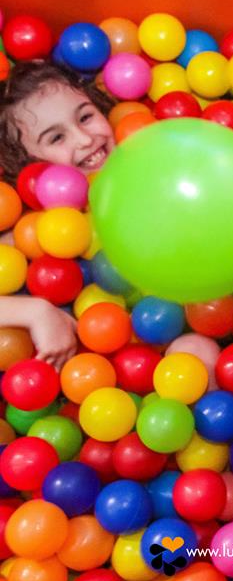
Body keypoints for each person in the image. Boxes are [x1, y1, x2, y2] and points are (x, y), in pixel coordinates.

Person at [0, 60, 116, 368]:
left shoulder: (144, 159)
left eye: (86, 117)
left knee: (196, 348)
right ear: (28, 168)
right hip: (85, 371)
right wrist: (34, 312)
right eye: (56, 138)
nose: (85, 139)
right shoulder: (27, 234)